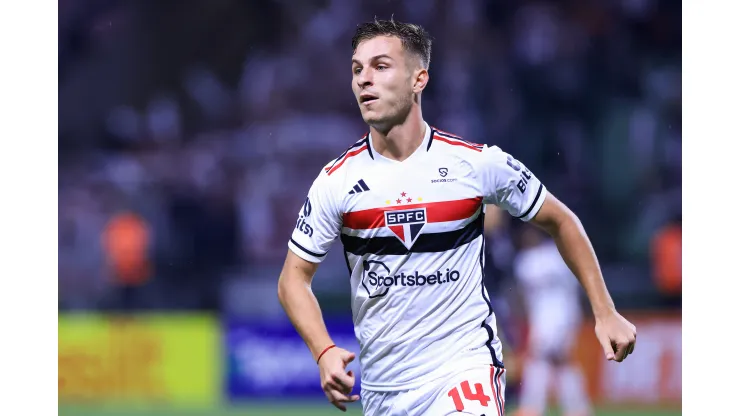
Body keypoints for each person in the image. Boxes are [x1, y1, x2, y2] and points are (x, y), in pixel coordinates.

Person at [277, 18, 636, 416]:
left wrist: (605, 311)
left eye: (380, 66)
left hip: (464, 369)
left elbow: (561, 220)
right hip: (384, 390)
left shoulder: (476, 164)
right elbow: (293, 278)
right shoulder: (336, 183)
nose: (364, 79)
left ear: (419, 80)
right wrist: (323, 350)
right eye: (357, 69)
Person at [513, 226, 593, 416]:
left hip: (559, 316)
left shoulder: (539, 258)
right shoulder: (543, 257)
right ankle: (577, 409)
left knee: (544, 359)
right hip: (550, 317)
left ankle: (533, 408)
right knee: (558, 361)